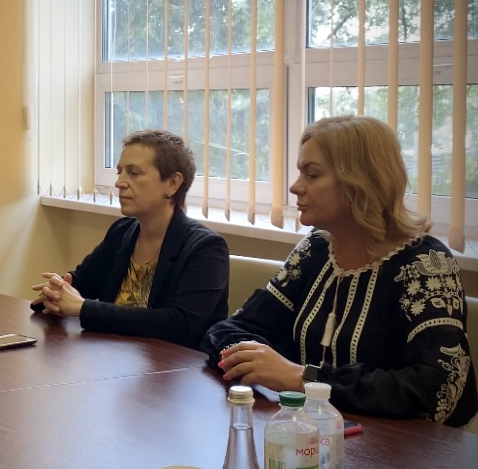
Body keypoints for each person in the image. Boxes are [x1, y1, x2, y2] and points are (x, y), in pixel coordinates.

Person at [203, 115, 477, 427]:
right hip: (310, 430)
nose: (295, 186)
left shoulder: (426, 265)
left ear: (360, 181)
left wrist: (303, 378)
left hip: (399, 443)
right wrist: (256, 361)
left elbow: (438, 388)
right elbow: (226, 331)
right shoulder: (315, 249)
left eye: (312, 175)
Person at [30, 129, 230, 349]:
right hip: (114, 357)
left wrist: (82, 307)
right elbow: (81, 281)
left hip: (174, 366)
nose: (120, 183)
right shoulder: (122, 231)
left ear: (172, 183)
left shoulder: (206, 248)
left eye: (134, 173)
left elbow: (180, 324)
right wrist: (57, 291)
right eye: (120, 172)